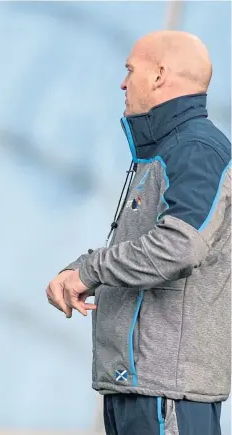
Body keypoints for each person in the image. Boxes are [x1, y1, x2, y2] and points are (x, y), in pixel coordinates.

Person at [46, 30, 230, 435]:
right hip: (140, 386)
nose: (123, 82)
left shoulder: (196, 148)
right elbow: (148, 243)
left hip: (167, 393)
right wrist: (78, 269)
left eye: (130, 70)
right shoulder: (165, 150)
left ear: (160, 74)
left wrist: (90, 272)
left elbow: (180, 245)